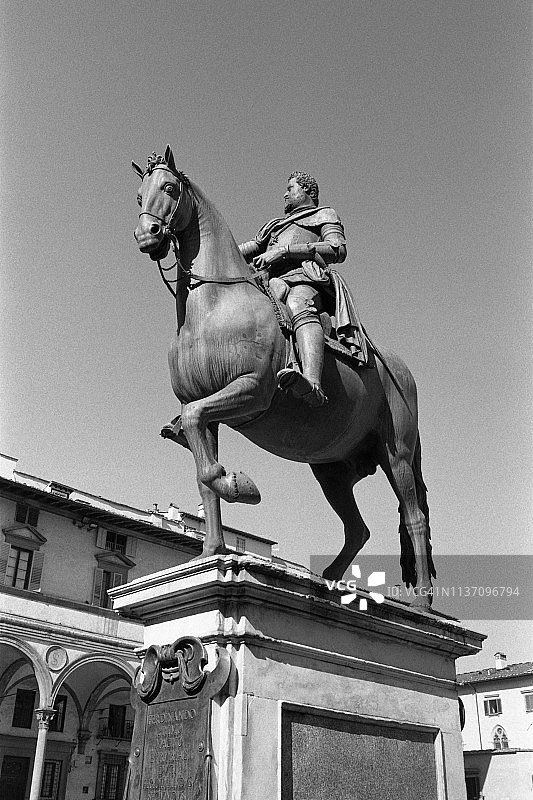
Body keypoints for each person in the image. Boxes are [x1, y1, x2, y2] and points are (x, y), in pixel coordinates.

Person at [239, 172, 347, 407]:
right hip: (271, 283)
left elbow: (337, 249)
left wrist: (284, 250)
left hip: (306, 281)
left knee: (298, 304)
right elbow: (250, 247)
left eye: (291, 188)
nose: (285, 194)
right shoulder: (275, 225)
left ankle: (312, 385)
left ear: (308, 191)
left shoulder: (323, 215)